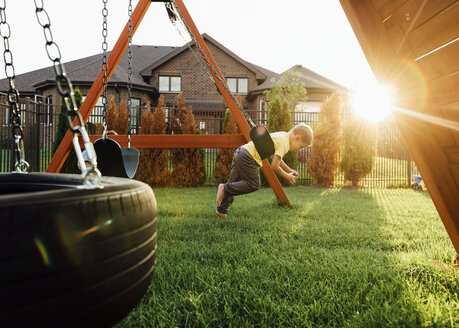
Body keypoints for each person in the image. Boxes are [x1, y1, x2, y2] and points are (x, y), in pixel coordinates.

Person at [216, 123, 313, 217]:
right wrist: (287, 176)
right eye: (301, 147)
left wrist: (289, 170)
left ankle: (222, 211)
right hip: (248, 157)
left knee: (233, 184)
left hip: (240, 152)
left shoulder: (283, 136)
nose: (298, 149)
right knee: (253, 184)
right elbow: (274, 166)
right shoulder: (285, 143)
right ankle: (224, 188)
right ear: (297, 138)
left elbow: (277, 158)